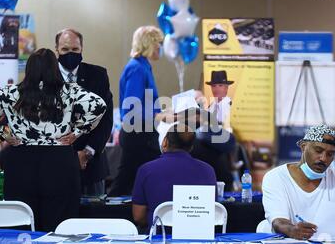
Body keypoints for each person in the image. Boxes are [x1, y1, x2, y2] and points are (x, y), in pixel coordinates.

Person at [0, 48, 106, 231]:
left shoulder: (11, 93)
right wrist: (78, 131)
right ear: (55, 69)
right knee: (60, 227)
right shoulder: (69, 92)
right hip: (60, 161)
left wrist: (4, 133)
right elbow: (99, 106)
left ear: (29, 69)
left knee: (22, 223)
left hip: (21, 161)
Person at [262, 124, 335, 240]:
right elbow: (278, 221)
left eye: (330, 154)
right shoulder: (276, 178)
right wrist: (292, 230)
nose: (324, 158)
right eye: (318, 151)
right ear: (303, 147)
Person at [108, 26, 166, 196]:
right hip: (137, 136)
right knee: (125, 184)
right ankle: (109, 216)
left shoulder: (144, 67)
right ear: (149, 44)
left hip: (145, 134)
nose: (160, 48)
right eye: (158, 44)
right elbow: (131, 111)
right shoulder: (137, 69)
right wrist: (159, 115)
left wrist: (165, 111)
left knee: (139, 183)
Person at [55, 28, 113, 196]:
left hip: (91, 166)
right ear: (57, 49)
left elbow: (106, 119)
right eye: (65, 49)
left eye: (75, 49)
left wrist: (87, 153)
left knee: (93, 220)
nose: (70, 53)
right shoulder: (46, 77)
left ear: (82, 49)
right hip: (56, 165)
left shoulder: (98, 75)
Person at [132, 123, 217, 230]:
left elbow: (138, 216)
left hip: (158, 239)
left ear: (165, 142)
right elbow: (211, 211)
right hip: (198, 236)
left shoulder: (146, 170)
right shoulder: (208, 170)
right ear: (191, 147)